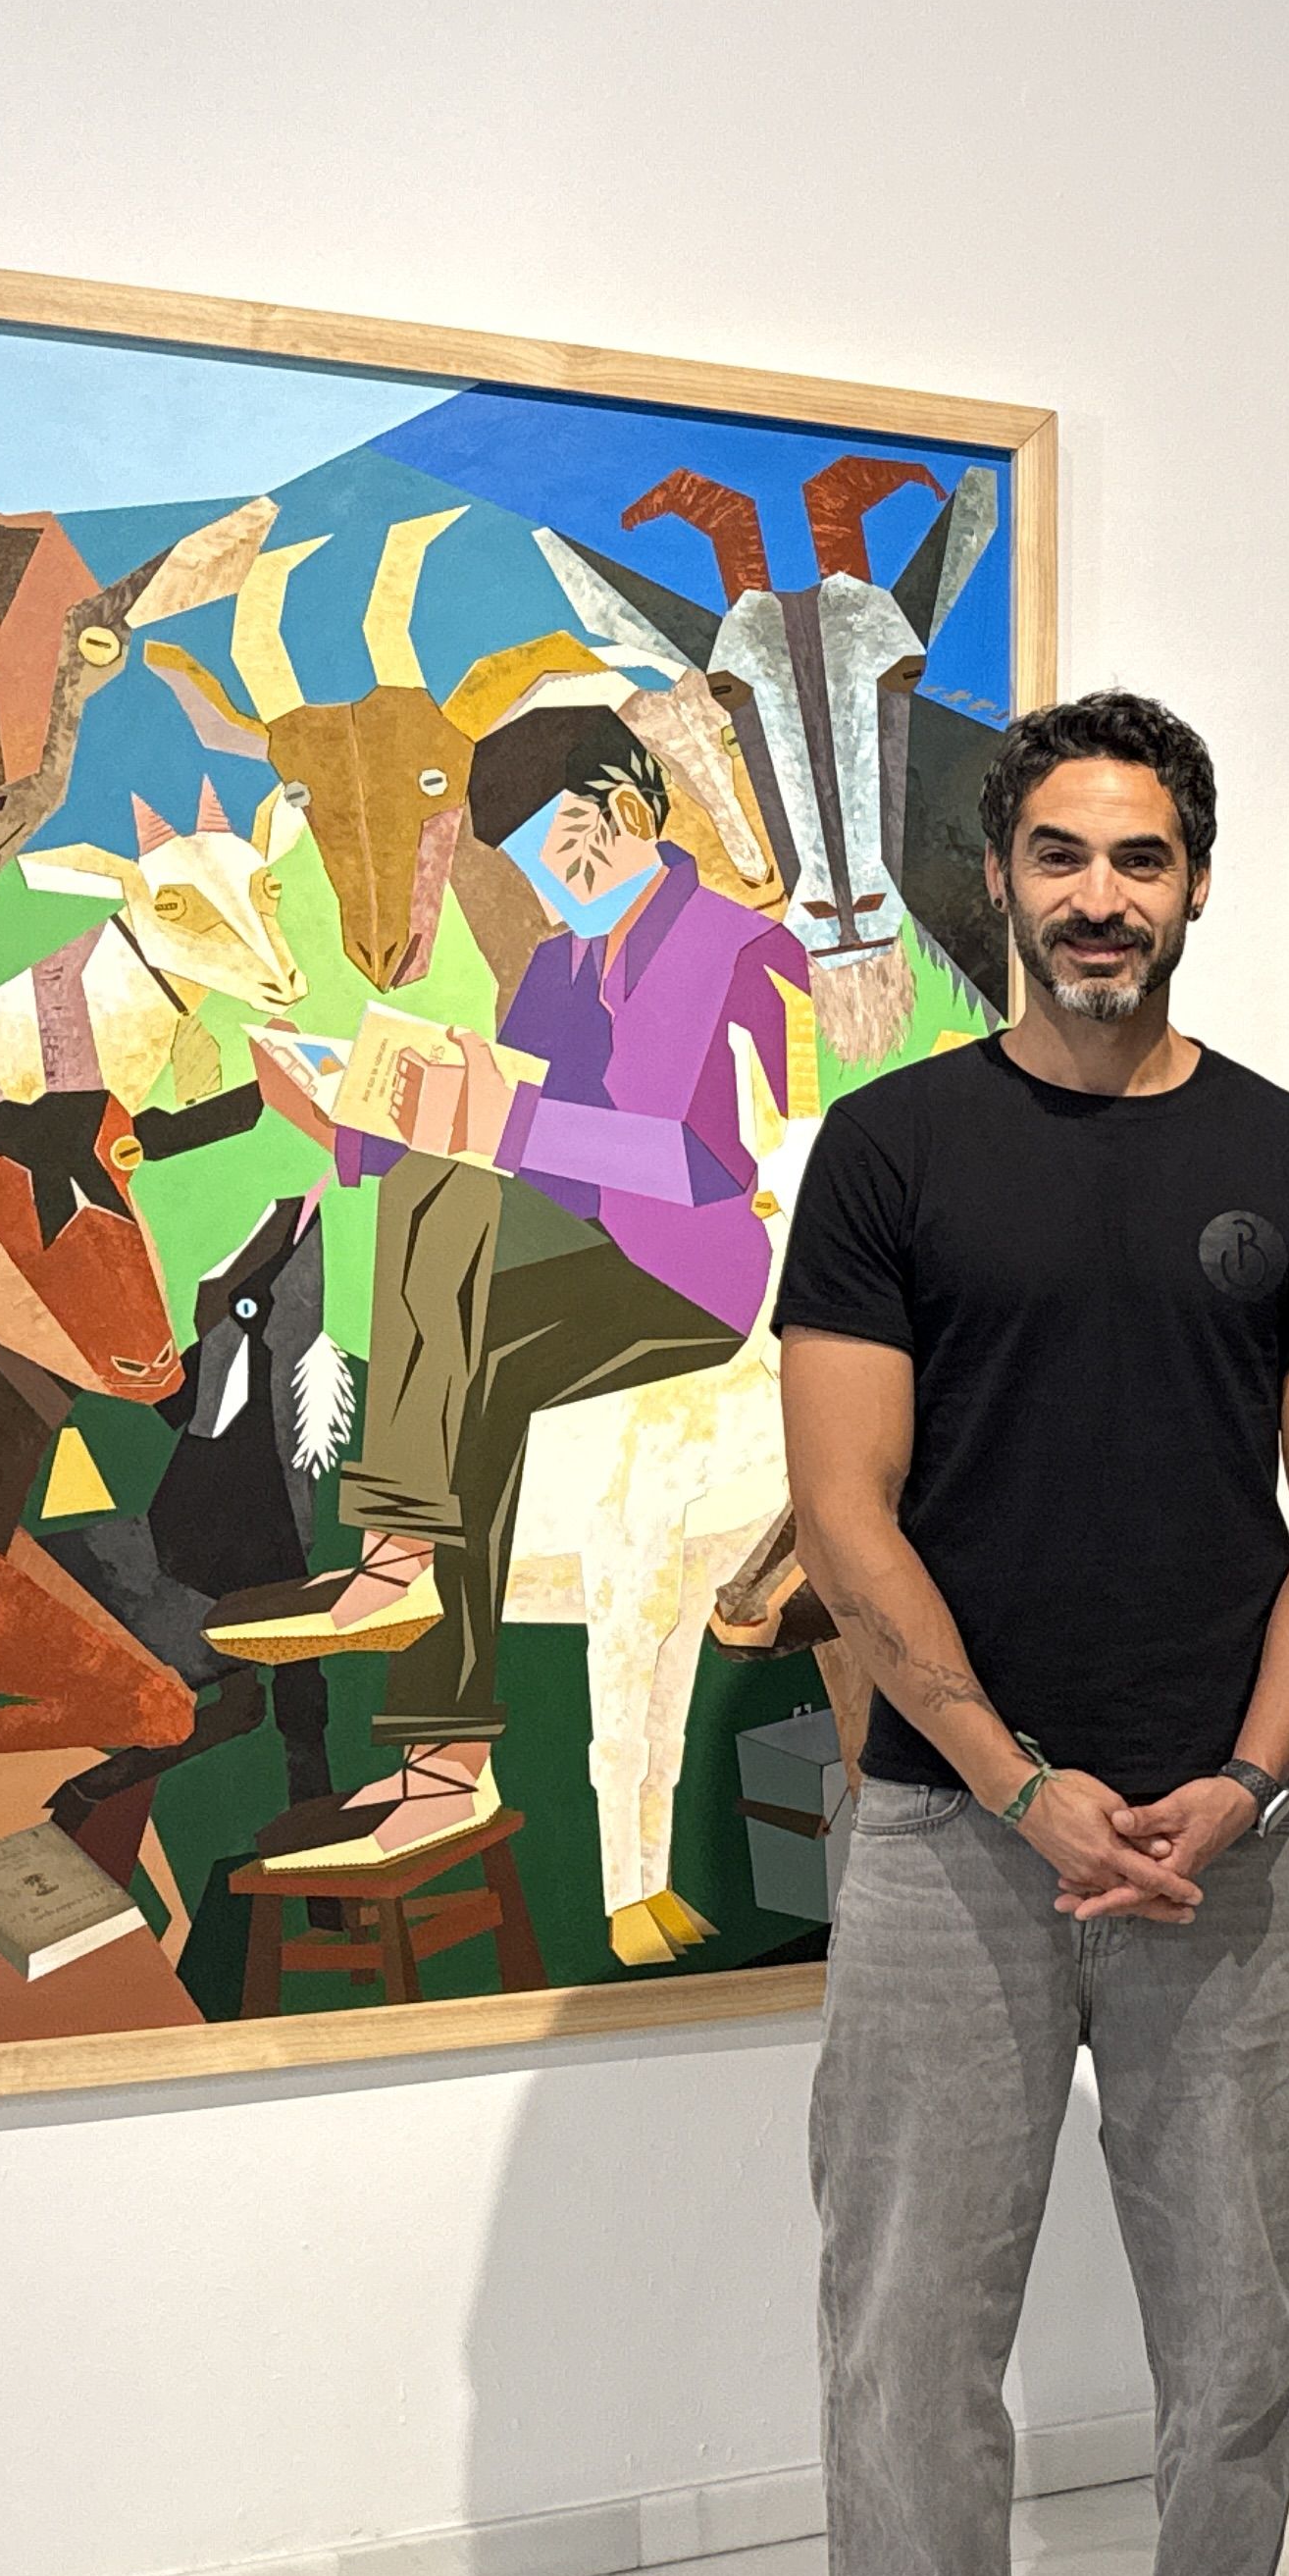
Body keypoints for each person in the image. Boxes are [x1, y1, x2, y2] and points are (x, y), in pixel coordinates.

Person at [769, 693, 1289, 2576]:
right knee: (912, 2318)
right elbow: (846, 1520)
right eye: (1061, 856)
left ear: (1195, 884)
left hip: (1236, 1844)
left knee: (1239, 2309)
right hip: (955, 1840)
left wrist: (1235, 1777)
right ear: (1003, 883)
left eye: (1141, 858)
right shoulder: (888, 1151)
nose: (1101, 898)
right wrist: (1023, 1783)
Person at [208, 715, 807, 1876]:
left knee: (461, 1297)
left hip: (687, 1274)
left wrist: (503, 1122)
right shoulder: (553, 967)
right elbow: (490, 1128)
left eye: (561, 847)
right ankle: (443, 1764)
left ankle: (395, 1573)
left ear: (628, 813)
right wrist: (354, 1118)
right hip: (566, 1251)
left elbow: (707, 1165)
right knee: (470, 1376)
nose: (547, 879)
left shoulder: (725, 949)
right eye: (527, 861)